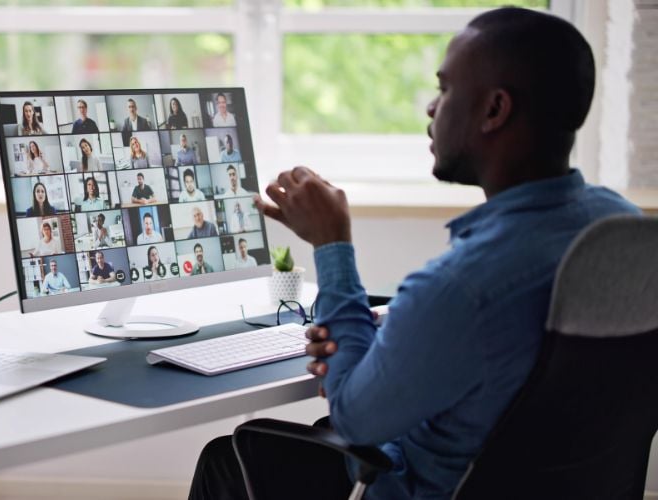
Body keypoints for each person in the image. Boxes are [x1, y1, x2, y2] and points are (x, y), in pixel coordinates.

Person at [189, 8, 641, 500]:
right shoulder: (622, 226)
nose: (431, 107)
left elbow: (355, 418)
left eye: (445, 89)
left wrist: (331, 243)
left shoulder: (462, 286)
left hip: (427, 488)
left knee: (230, 458)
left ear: (494, 110)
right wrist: (407, 331)